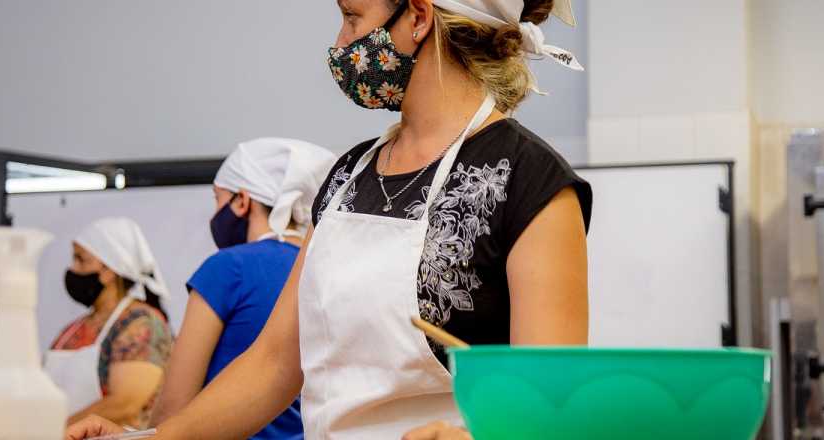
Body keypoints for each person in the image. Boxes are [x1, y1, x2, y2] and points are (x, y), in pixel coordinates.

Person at [67, 0, 592, 438]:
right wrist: (151, 438)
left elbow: (549, 399)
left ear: (417, 18)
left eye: (352, 17)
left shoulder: (528, 179)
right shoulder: (348, 174)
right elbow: (274, 364)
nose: (341, 43)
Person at [149, 138, 335, 439]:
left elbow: (173, 405)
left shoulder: (228, 268)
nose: (214, 213)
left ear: (242, 201)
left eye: (217, 198)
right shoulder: (321, 266)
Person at [45, 217, 173, 430]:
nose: (73, 268)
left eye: (81, 260)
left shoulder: (142, 324)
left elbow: (125, 404)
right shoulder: (72, 330)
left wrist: (52, 432)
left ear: (108, 270)